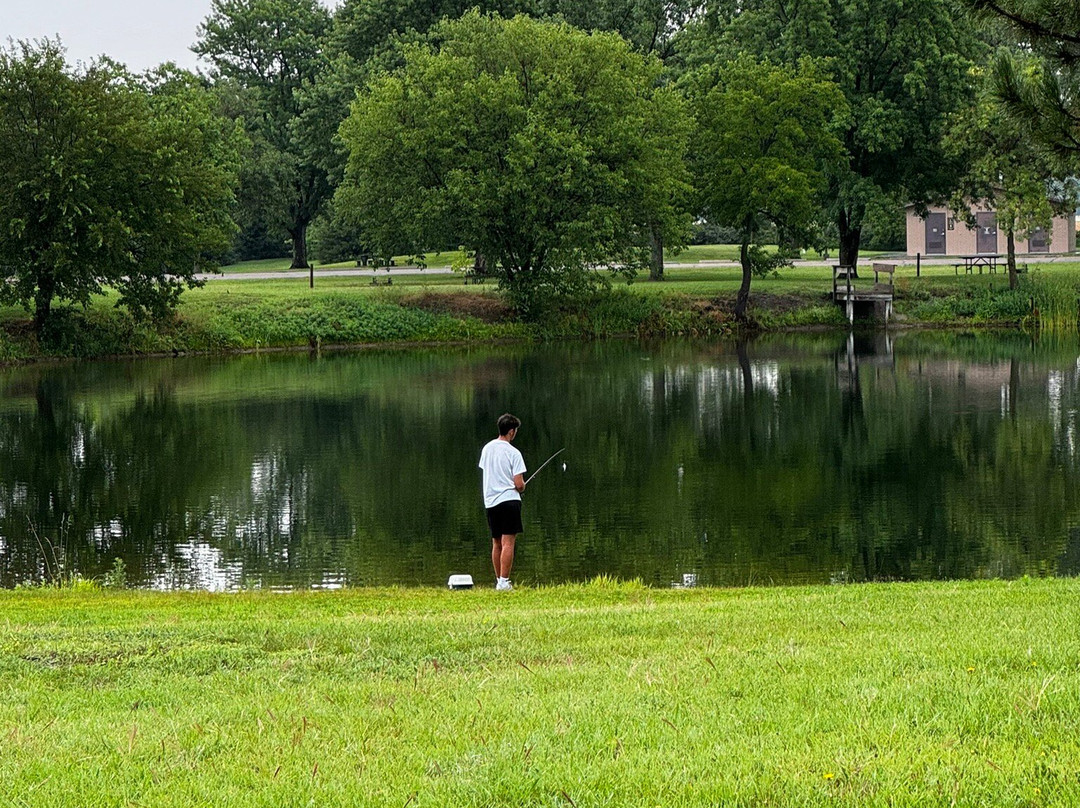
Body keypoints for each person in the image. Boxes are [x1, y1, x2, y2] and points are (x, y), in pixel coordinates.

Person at [478, 413, 526, 591]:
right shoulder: (514, 453)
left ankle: (499, 580)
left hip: (491, 502)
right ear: (511, 432)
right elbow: (518, 483)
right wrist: (522, 488)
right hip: (509, 501)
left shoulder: (487, 449)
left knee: (496, 543)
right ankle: (504, 582)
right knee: (508, 543)